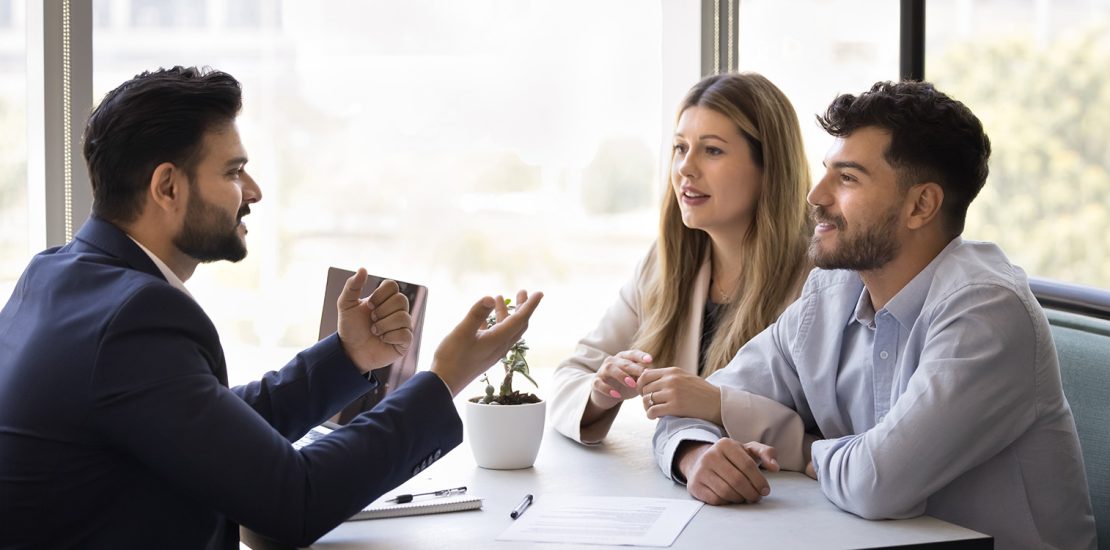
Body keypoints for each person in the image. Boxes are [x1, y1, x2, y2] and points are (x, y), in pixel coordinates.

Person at [0, 66, 542, 549]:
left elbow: (212, 431)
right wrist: (445, 379)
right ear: (167, 186)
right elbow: (294, 500)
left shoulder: (54, 275)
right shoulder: (134, 319)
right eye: (233, 172)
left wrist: (350, 356)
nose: (254, 191)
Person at [653, 80, 1097, 548]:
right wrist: (696, 454)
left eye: (847, 179)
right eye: (827, 172)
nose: (814, 196)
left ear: (921, 205)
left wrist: (794, 445)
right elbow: (696, 402)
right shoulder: (832, 290)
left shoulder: (987, 313)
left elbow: (877, 483)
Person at [550, 72, 812, 448]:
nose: (686, 168)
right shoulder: (663, 263)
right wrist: (598, 392)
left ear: (769, 166)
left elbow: (833, 433)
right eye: (680, 148)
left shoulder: (819, 281)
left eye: (712, 150)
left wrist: (720, 406)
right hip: (682, 491)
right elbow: (570, 375)